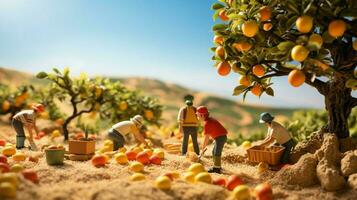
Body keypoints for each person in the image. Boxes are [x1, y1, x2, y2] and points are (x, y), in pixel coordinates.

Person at [197, 106, 227, 174]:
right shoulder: (210, 120)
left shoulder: (208, 124)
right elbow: (214, 131)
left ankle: (217, 169)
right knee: (214, 152)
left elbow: (206, 138)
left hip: (220, 138)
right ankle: (217, 165)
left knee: (217, 153)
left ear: (202, 115)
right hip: (219, 137)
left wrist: (203, 147)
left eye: (198, 116)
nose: (197, 117)